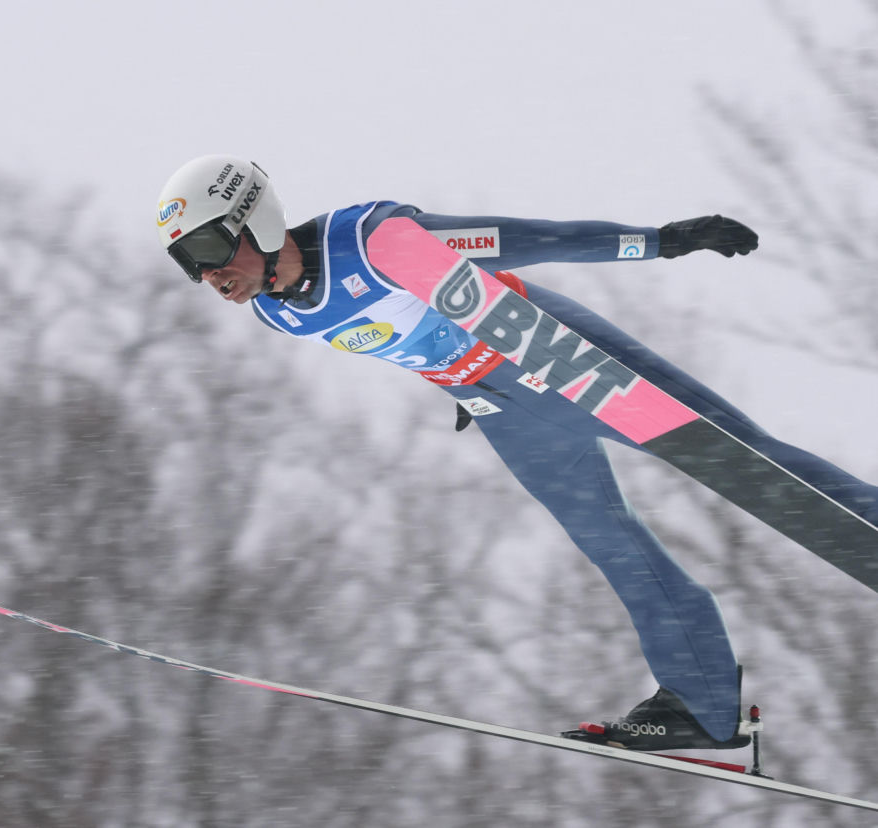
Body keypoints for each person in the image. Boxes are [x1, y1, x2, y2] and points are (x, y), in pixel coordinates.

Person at [155, 155, 878, 751]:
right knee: (610, 542)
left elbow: (527, 239)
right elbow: (404, 334)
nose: (208, 275)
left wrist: (658, 240)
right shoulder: (276, 311)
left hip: (550, 351)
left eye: (211, 250)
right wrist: (458, 391)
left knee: (739, 457)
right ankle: (703, 704)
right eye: (189, 265)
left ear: (257, 218)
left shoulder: (372, 242)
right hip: (499, 404)